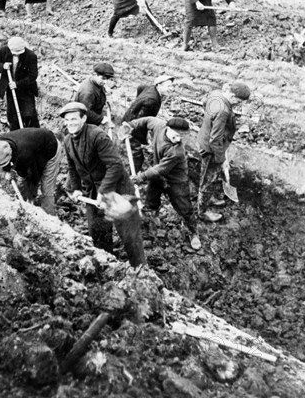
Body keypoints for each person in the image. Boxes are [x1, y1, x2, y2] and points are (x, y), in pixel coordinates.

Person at [60, 102, 146, 267]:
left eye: (74, 119)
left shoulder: (97, 136)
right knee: (98, 233)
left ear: (84, 118)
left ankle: (141, 270)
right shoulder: (67, 141)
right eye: (67, 120)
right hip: (92, 190)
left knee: (129, 234)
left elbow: (115, 165)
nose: (70, 123)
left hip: (117, 189)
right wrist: (77, 189)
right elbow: (72, 168)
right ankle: (109, 265)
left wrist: (104, 191)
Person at [121, 116, 201, 251]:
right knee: (150, 203)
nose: (179, 139)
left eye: (182, 136)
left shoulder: (177, 151)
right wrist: (130, 125)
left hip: (176, 181)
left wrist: (140, 177)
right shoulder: (159, 126)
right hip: (157, 177)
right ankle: (151, 225)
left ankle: (193, 232)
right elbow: (147, 120)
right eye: (176, 135)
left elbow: (160, 169)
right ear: (167, 129)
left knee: (185, 208)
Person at [197, 81, 251, 222]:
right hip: (211, 149)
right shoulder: (223, 111)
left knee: (212, 176)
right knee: (208, 180)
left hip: (205, 139)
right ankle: (202, 211)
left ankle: (209, 198)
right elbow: (215, 140)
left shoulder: (215, 94)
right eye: (238, 102)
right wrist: (222, 159)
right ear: (232, 96)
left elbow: (204, 103)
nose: (238, 105)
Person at [0, 128, 62, 215]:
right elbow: (4, 163)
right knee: (23, 182)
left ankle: (49, 218)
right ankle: (26, 202)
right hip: (34, 145)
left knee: (46, 187)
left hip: (50, 148)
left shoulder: (24, 155)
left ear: (10, 156)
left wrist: (32, 195)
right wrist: (6, 171)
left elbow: (35, 175)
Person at [122, 75, 175, 172]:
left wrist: (138, 103)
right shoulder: (152, 100)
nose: (171, 89)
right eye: (168, 86)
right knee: (137, 157)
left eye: (172, 86)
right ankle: (132, 177)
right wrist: (141, 137)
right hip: (131, 128)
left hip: (130, 121)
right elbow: (141, 121)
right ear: (159, 85)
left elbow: (140, 87)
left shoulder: (151, 88)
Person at [0, 36, 39, 131]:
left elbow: (33, 75)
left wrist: (17, 84)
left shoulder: (31, 56)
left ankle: (34, 135)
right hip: (10, 89)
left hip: (26, 89)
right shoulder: (4, 51)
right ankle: (16, 135)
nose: (16, 55)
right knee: (13, 116)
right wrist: (2, 66)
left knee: (30, 114)